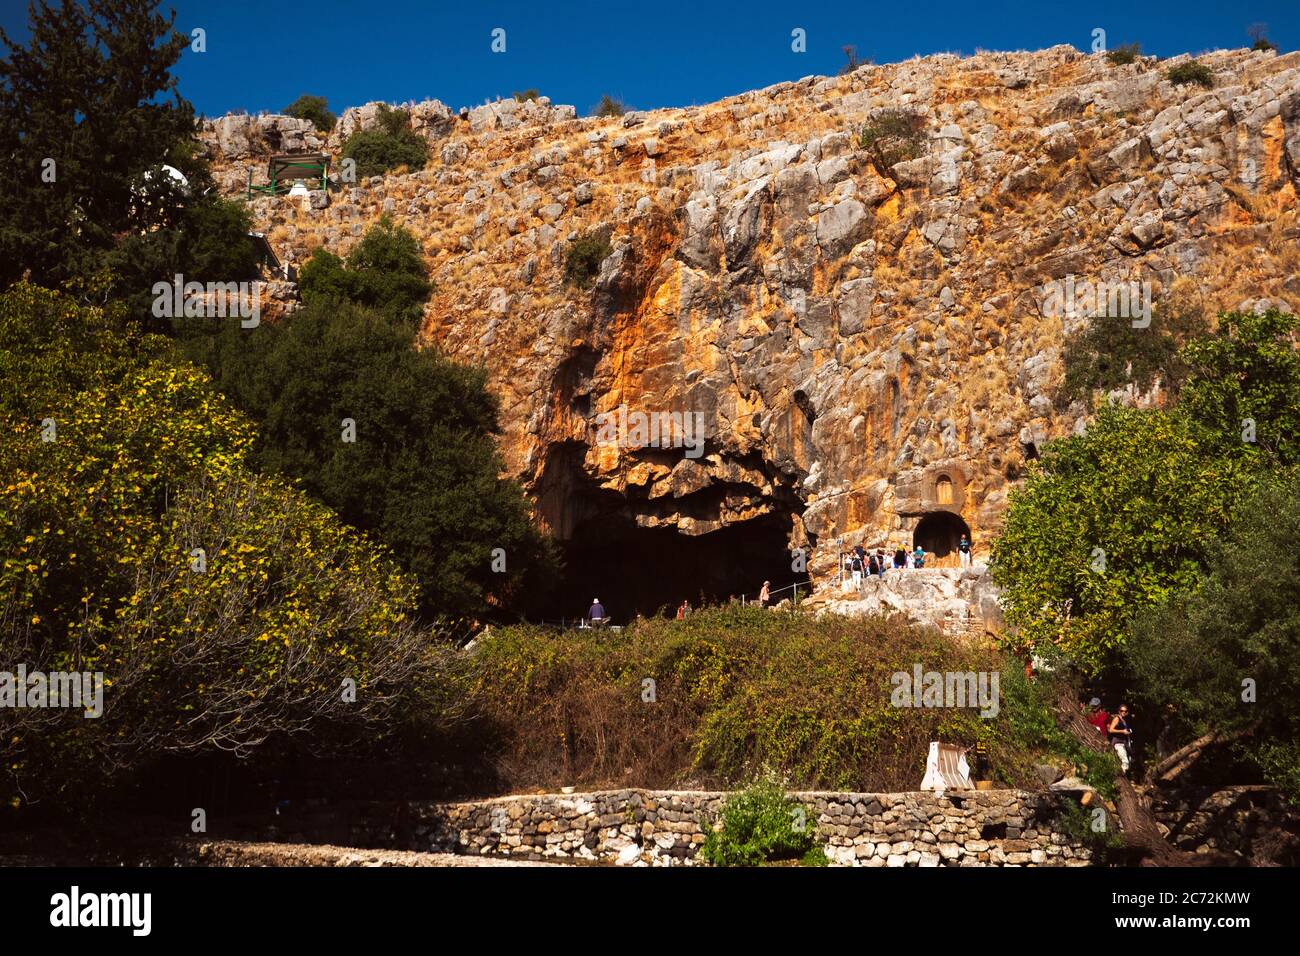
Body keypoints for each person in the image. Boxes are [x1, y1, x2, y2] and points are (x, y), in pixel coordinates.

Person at [1108, 704, 1134, 775]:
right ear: (1119, 711)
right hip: (1117, 742)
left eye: (1125, 711)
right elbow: (1111, 730)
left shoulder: (1125, 720)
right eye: (1122, 711)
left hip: (1124, 742)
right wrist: (1122, 731)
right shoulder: (1117, 719)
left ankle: (1123, 774)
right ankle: (1121, 776)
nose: (1123, 712)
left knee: (1129, 759)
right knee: (1125, 761)